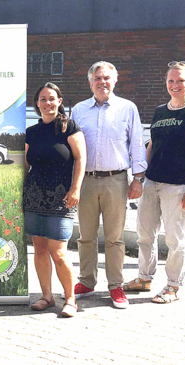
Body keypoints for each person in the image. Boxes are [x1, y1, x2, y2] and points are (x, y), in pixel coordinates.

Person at [123, 61, 185, 303]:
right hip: (152, 182)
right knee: (144, 235)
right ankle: (144, 278)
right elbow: (151, 145)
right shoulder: (160, 111)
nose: (175, 85)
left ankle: (173, 286)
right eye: (171, 81)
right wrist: (140, 177)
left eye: (180, 80)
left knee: (175, 239)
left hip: (178, 185)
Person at [71, 61, 147, 309]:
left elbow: (137, 144)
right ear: (90, 82)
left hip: (116, 180)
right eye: (97, 78)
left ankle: (115, 285)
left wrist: (138, 179)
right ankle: (86, 281)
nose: (102, 82)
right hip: (86, 181)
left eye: (106, 78)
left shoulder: (127, 108)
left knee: (115, 238)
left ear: (115, 81)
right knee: (86, 236)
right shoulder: (79, 110)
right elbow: (72, 147)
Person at [24, 83, 86, 318]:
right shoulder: (32, 132)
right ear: (37, 104)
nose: (47, 103)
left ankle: (70, 299)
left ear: (59, 101)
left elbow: (80, 159)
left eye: (52, 98)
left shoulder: (70, 127)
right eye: (43, 99)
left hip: (62, 198)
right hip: (34, 197)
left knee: (58, 251)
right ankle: (47, 297)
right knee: (39, 249)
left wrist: (76, 188)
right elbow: (25, 164)